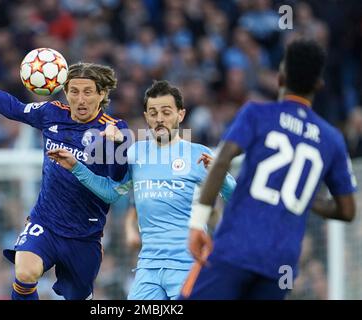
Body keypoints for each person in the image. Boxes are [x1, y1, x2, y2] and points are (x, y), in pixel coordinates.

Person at [182, 39, 357, 300]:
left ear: (281, 78)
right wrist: (303, 197)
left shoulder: (257, 114)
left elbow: (221, 160)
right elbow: (347, 210)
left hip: (235, 247)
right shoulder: (331, 139)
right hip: (280, 264)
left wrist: (197, 224)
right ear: (319, 85)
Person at [0, 61, 129, 300]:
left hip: (84, 234)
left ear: (102, 94)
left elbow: (118, 183)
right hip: (45, 222)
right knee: (25, 272)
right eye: (74, 91)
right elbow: (12, 107)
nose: (80, 99)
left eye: (88, 92)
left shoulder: (114, 130)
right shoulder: (52, 114)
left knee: (78, 296)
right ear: (66, 92)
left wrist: (117, 144)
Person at [48, 80, 236, 300]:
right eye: (153, 113)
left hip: (188, 263)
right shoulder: (135, 153)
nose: (159, 119)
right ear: (147, 117)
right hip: (149, 266)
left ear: (180, 115)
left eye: (166, 112)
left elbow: (237, 198)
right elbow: (111, 192)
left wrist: (220, 175)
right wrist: (76, 167)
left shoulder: (197, 154)